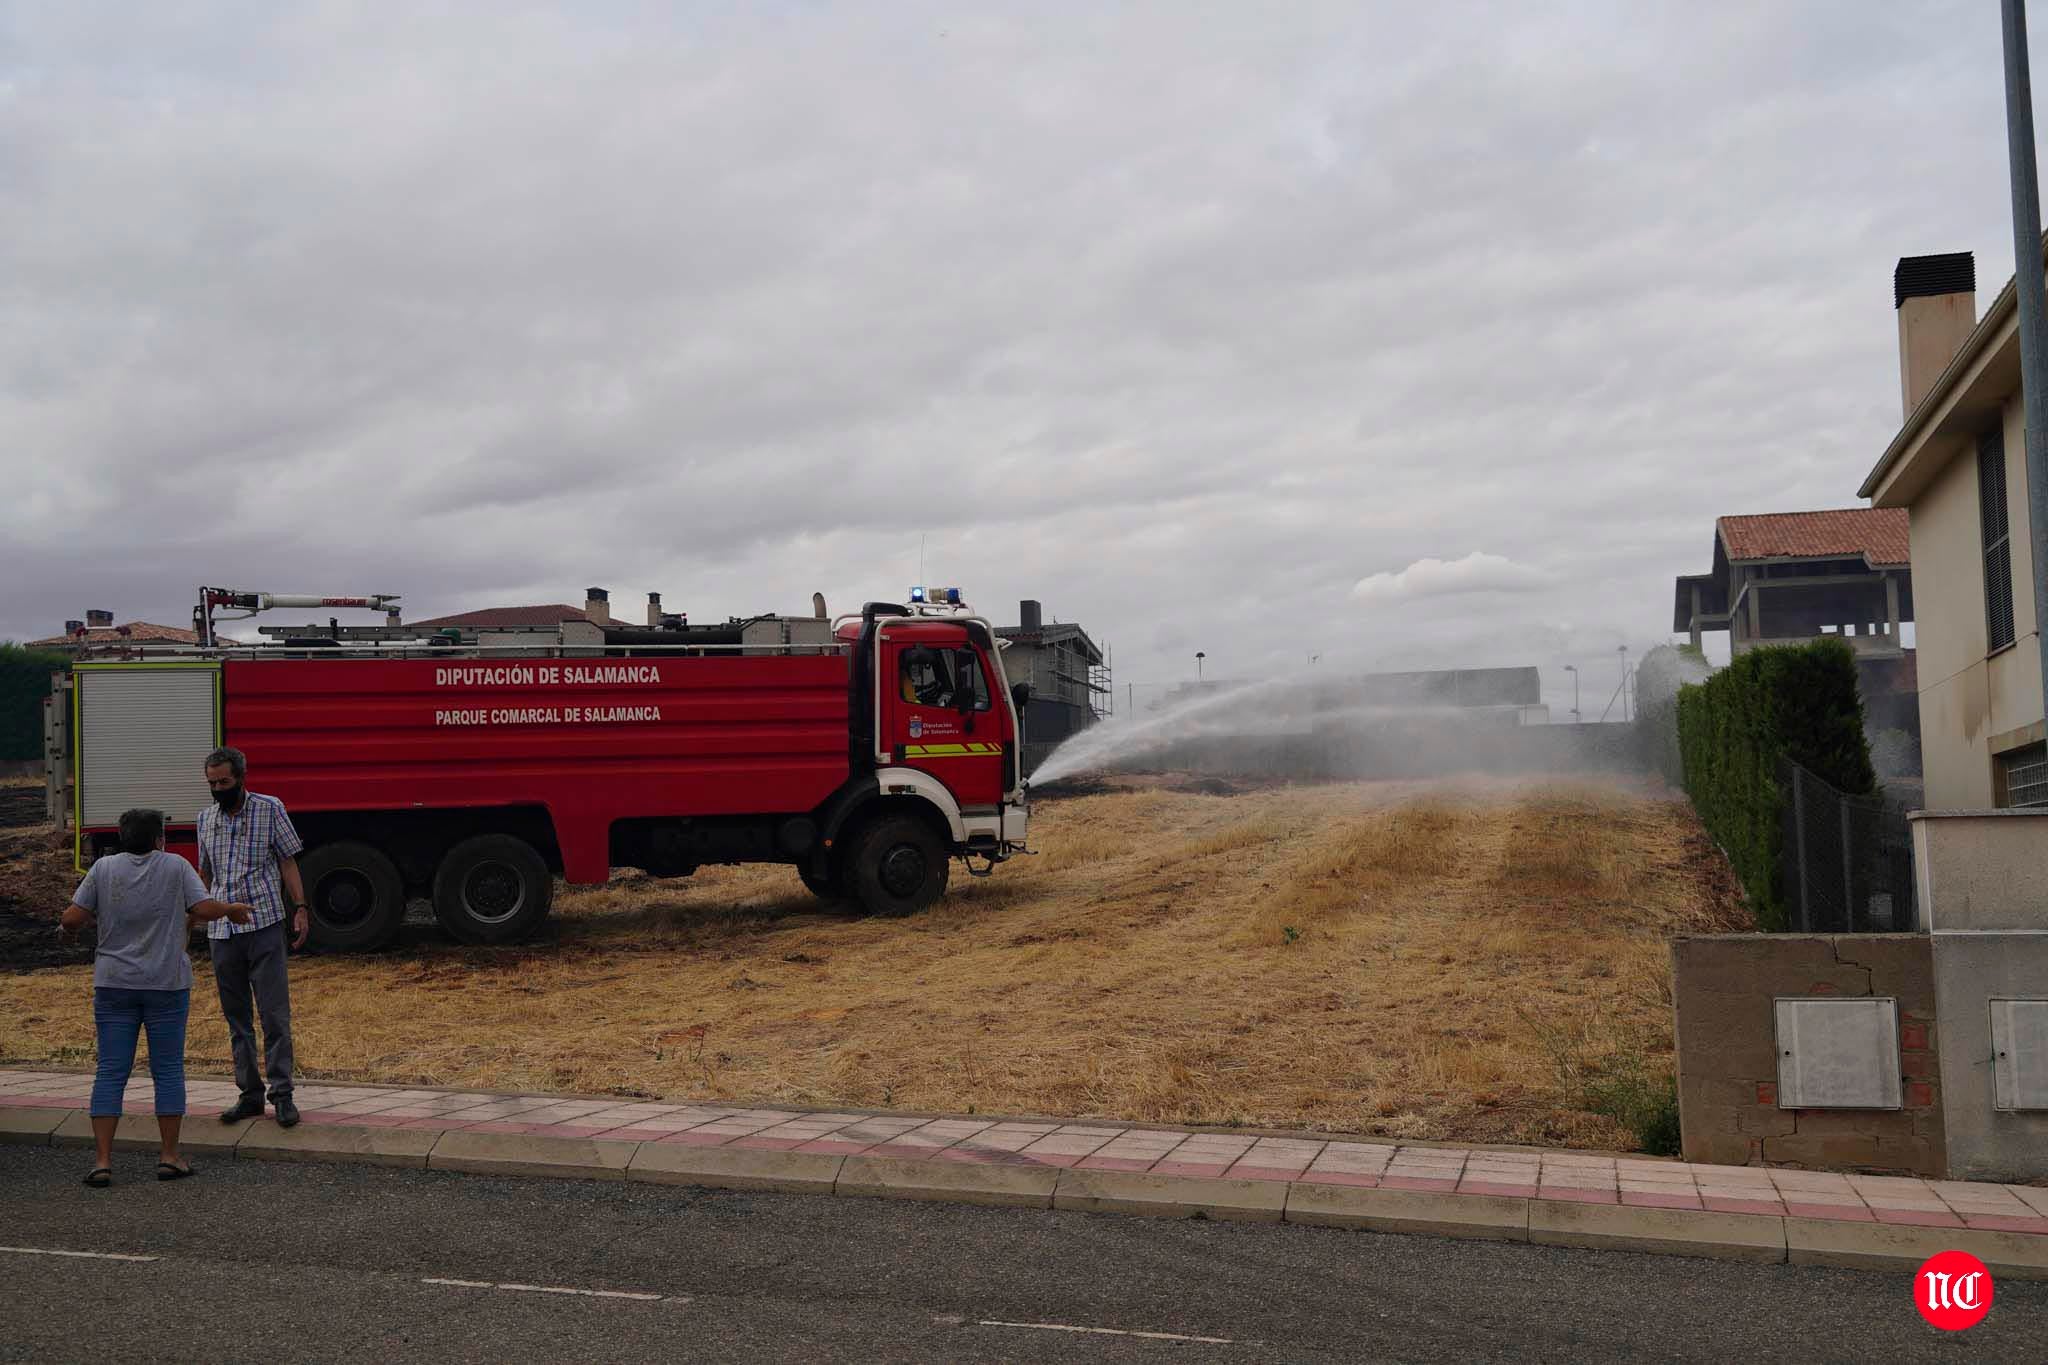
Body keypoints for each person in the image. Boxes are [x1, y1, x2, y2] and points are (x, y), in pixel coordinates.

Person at [61, 808, 254, 1187]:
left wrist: (73, 925)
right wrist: (230, 910)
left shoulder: (103, 869)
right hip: (166, 983)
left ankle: (102, 1161)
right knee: (166, 1071)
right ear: (158, 838)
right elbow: (202, 908)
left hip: (114, 984)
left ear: (121, 836)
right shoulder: (176, 866)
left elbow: (71, 919)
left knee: (111, 1071)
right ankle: (169, 1156)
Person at [197, 745, 309, 1128]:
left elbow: (287, 860)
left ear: (241, 778)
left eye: (224, 782)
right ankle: (249, 1094)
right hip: (222, 931)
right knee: (236, 1017)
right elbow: (205, 874)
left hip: (263, 925)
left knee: (274, 1014)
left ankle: (283, 1094)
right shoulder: (205, 819)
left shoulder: (269, 808)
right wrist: (197, 915)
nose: (217, 789)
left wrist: (300, 907)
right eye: (212, 783)